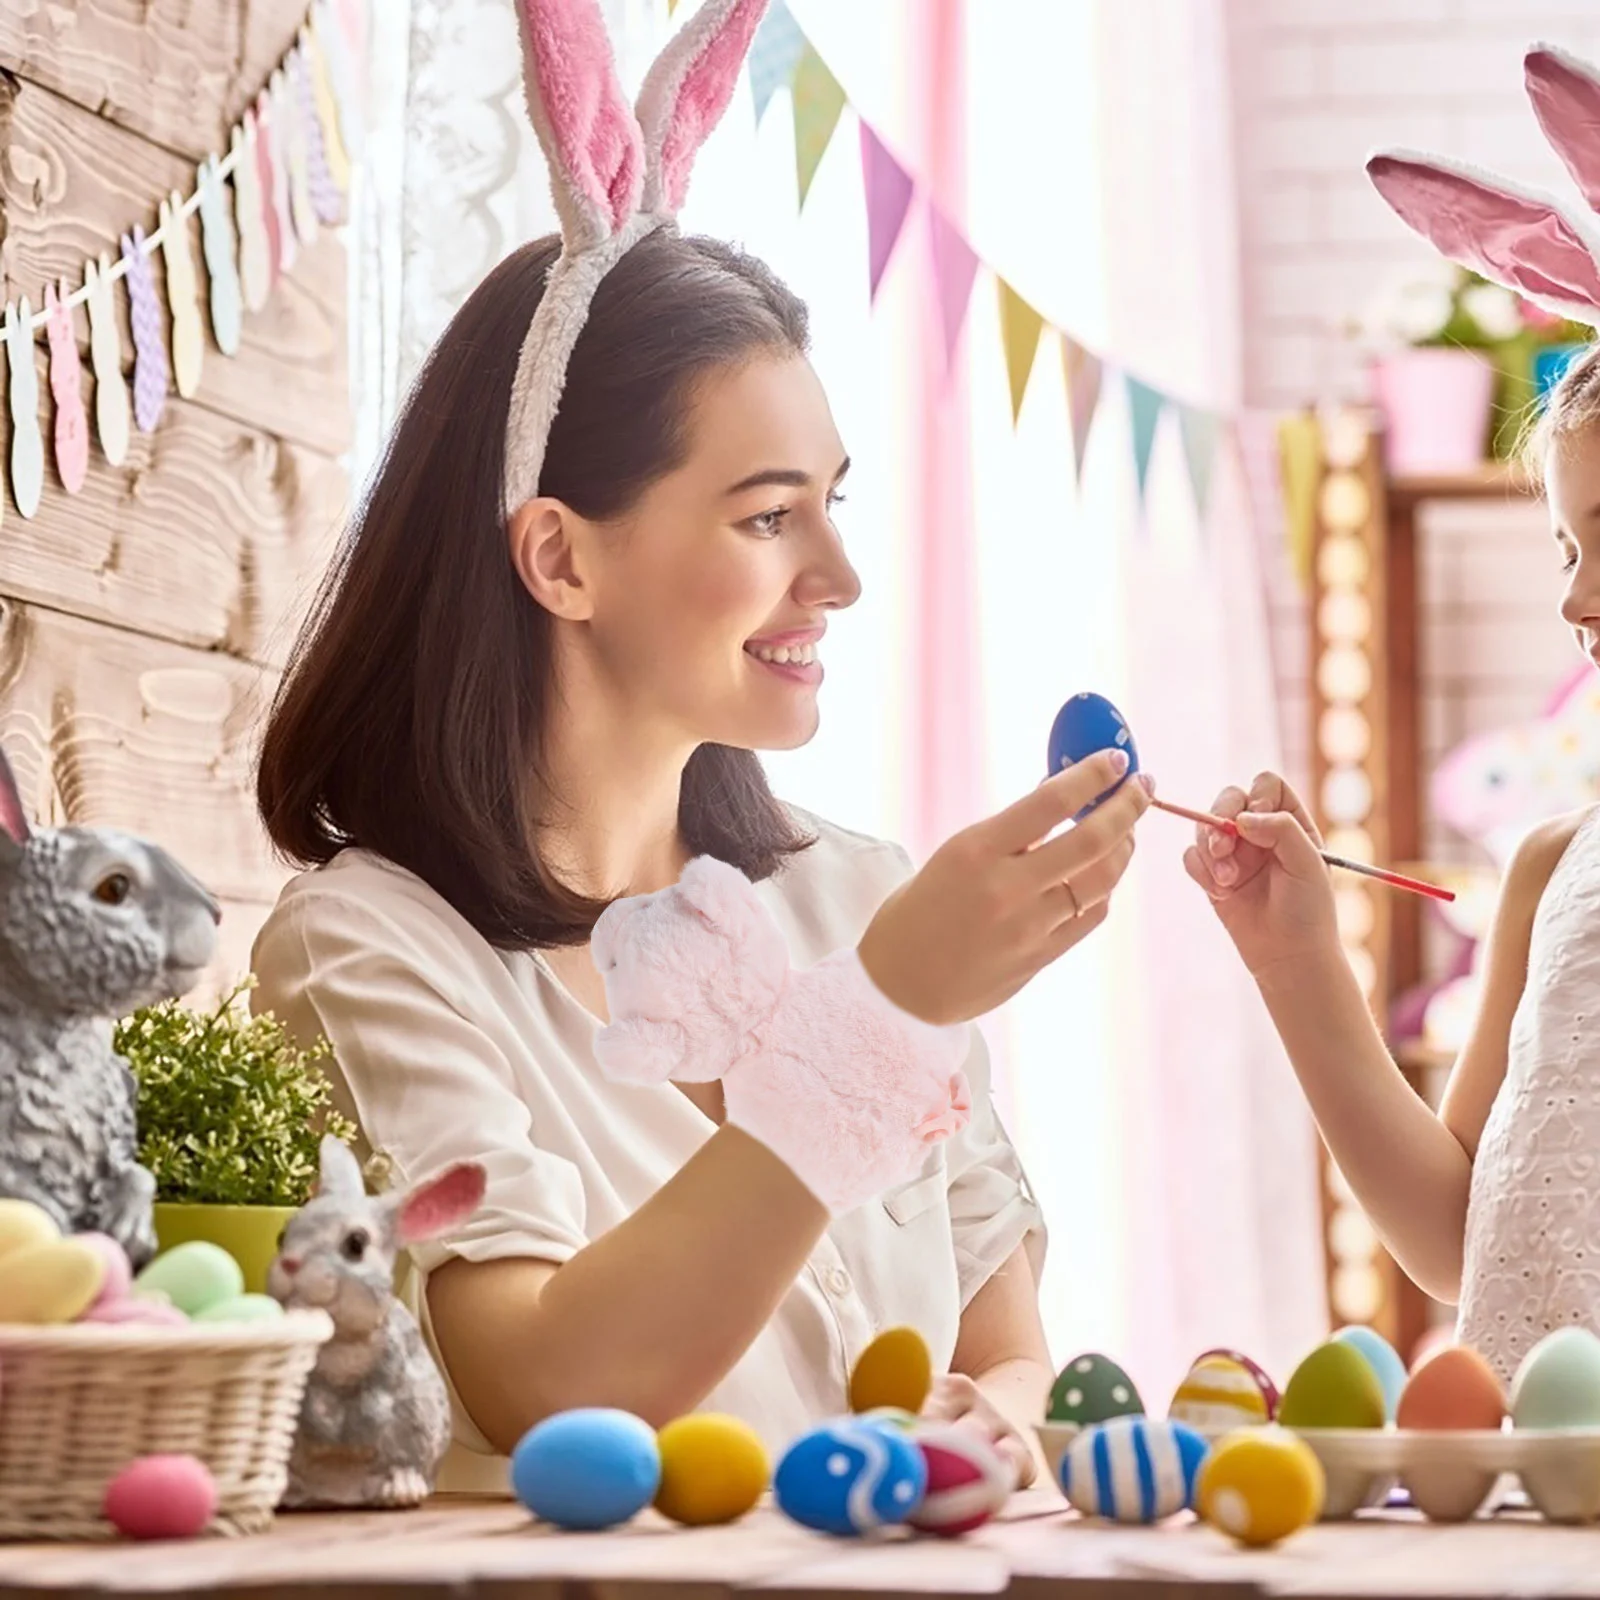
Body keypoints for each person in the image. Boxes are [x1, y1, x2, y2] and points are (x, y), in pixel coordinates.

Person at [249, 0, 1151, 1494]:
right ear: (559, 559)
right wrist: (875, 1022)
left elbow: (1004, 1340)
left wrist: (996, 1416)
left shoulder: (857, 897)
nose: (839, 579)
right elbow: (541, 1382)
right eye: (764, 515)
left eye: (834, 504)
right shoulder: (373, 949)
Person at [1188, 343, 1600, 1383]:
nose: (1575, 600)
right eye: (1564, 550)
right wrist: (1296, 964)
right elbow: (1451, 1242)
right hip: (1528, 1518)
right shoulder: (1551, 870)